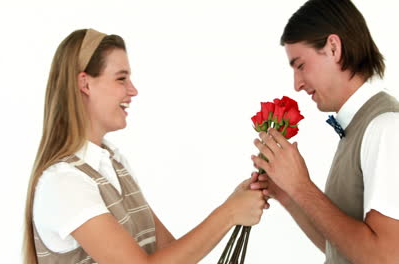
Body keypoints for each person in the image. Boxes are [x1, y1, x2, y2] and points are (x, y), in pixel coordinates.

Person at [22, 28, 267, 264]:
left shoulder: (114, 163)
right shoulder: (64, 182)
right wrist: (228, 214)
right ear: (85, 84)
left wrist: (234, 203)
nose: (133, 90)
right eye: (121, 79)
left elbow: (170, 253)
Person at [249, 0, 399, 263]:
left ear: (333, 47)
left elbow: (385, 257)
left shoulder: (385, 126)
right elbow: (341, 248)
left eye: (300, 65)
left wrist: (302, 186)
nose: (297, 84)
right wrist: (288, 193)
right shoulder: (360, 126)